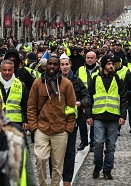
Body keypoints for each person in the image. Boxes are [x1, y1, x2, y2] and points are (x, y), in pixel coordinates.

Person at [27, 55, 76, 186]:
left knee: (57, 164)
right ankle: (42, 184)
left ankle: (54, 184)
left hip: (60, 130)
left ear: (59, 66)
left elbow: (71, 107)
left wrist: (68, 129)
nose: (52, 67)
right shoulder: (38, 83)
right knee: (40, 159)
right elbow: (31, 106)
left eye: (55, 64)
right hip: (41, 128)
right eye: (50, 64)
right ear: (46, 65)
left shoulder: (67, 84)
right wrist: (34, 126)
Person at [86, 55, 127, 180]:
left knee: (111, 145)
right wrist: (88, 115)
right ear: (103, 66)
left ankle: (107, 170)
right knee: (98, 143)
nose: (111, 66)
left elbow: (123, 98)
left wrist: (123, 115)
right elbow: (89, 98)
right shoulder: (95, 79)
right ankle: (98, 165)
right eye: (108, 64)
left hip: (113, 117)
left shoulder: (118, 79)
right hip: (98, 116)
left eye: (112, 64)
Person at [59, 54, 90, 186]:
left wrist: (80, 103)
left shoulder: (76, 81)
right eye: (62, 64)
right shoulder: (54, 80)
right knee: (56, 152)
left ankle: (67, 180)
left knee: (70, 152)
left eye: (67, 64)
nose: (65, 67)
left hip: (72, 121)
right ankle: (56, 177)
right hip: (56, 121)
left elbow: (87, 97)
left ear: (70, 65)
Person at [0, 59, 28, 129]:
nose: (7, 72)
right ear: (0, 70)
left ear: (13, 70)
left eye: (9, 70)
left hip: (15, 122)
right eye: (4, 70)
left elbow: (25, 105)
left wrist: (26, 121)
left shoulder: (20, 84)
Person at [76, 51, 99, 151]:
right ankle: (84, 141)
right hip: (83, 99)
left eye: (92, 58)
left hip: (95, 99)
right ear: (85, 58)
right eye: (88, 57)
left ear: (96, 59)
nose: (90, 60)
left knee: (94, 122)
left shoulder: (100, 70)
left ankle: (93, 143)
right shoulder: (80, 70)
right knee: (81, 123)